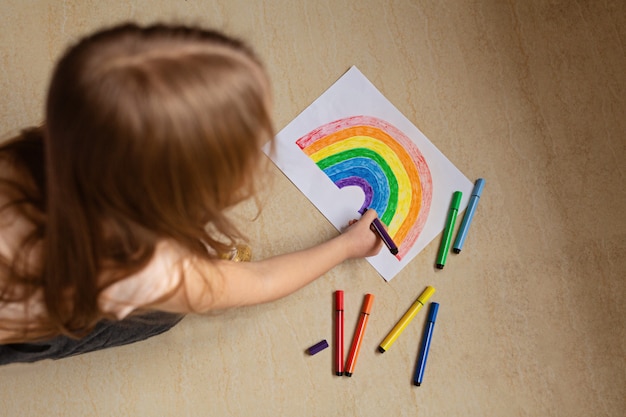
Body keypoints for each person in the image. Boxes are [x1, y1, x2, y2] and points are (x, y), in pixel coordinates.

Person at [0, 23, 382, 364]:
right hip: (30, 320)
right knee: (166, 315)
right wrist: (346, 246)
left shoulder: (26, 157)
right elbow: (262, 280)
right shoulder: (153, 271)